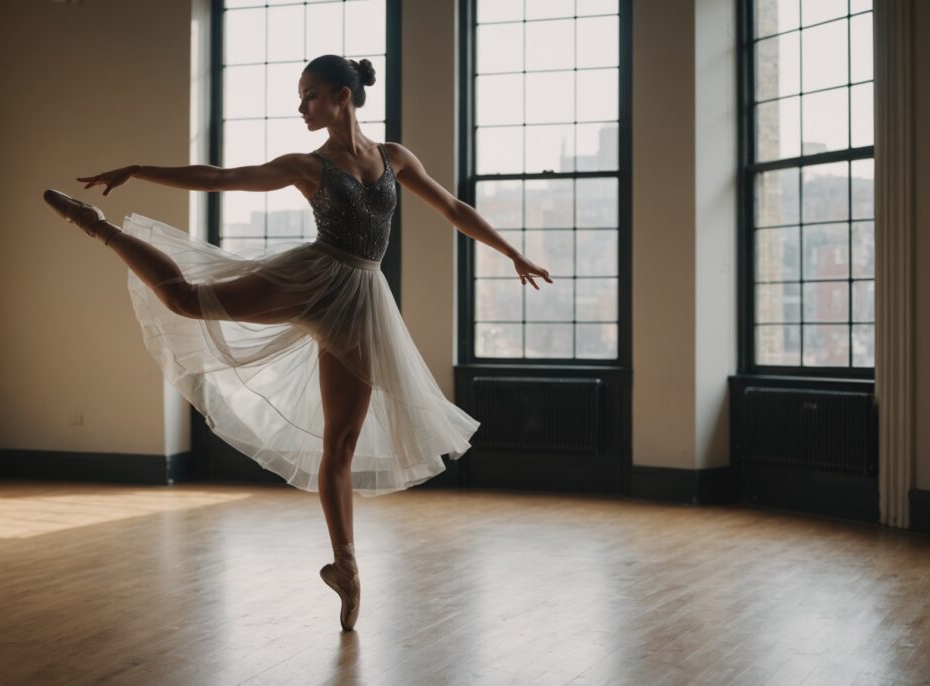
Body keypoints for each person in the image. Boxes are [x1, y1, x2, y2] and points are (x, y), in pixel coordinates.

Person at [42, 54, 552, 631]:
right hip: (313, 278)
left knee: (341, 445)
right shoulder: (307, 165)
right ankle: (99, 226)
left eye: (309, 95)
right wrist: (137, 169)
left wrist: (512, 253)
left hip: (360, 300)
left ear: (342, 96)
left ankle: (347, 568)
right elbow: (221, 177)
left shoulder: (395, 158)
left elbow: (453, 207)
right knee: (186, 300)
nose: (302, 107)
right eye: (300, 97)